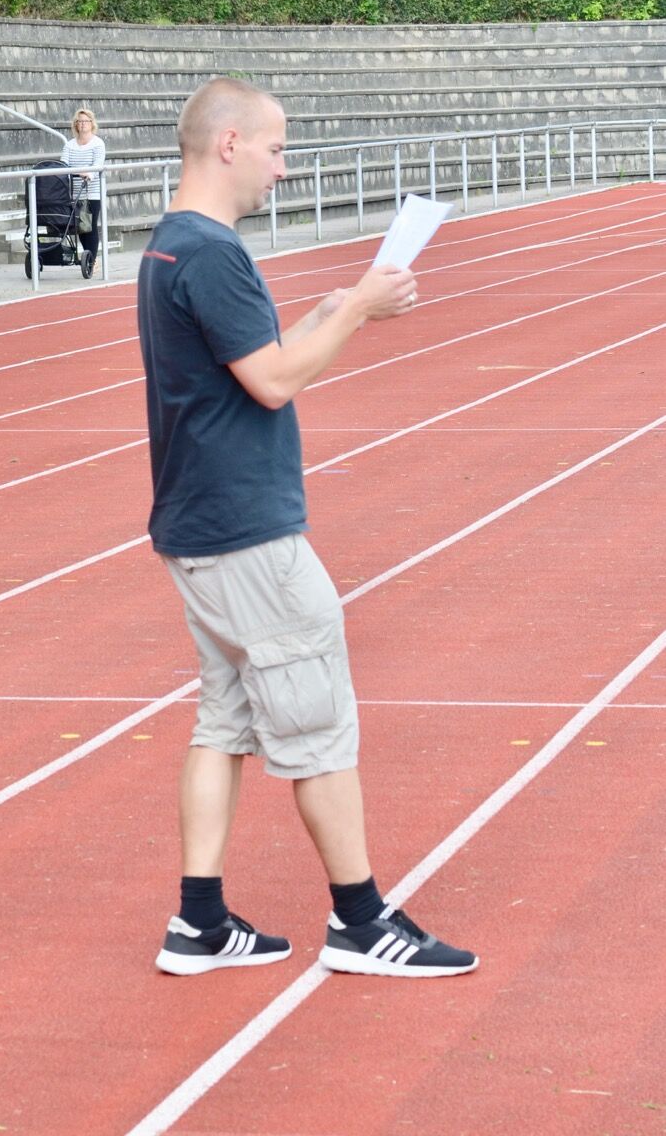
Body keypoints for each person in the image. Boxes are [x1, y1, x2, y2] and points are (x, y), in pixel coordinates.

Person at [138, 77, 478, 980]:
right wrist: (360, 308)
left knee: (224, 721)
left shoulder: (171, 245)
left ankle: (199, 923)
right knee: (317, 719)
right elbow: (274, 382)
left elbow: (251, 362)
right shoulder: (212, 254)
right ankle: (361, 921)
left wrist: (329, 313)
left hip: (199, 524)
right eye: (276, 148)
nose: (283, 168)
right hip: (247, 532)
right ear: (229, 144)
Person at [61, 107, 105, 272]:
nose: (83, 124)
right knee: (80, 227)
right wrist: (75, 172)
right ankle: (88, 257)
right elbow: (63, 165)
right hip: (74, 192)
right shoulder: (69, 145)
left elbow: (98, 164)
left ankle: (91, 260)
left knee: (90, 226)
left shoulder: (98, 143)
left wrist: (88, 173)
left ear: (92, 123)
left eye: (86, 121)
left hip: (92, 192)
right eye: (79, 121)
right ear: (76, 124)